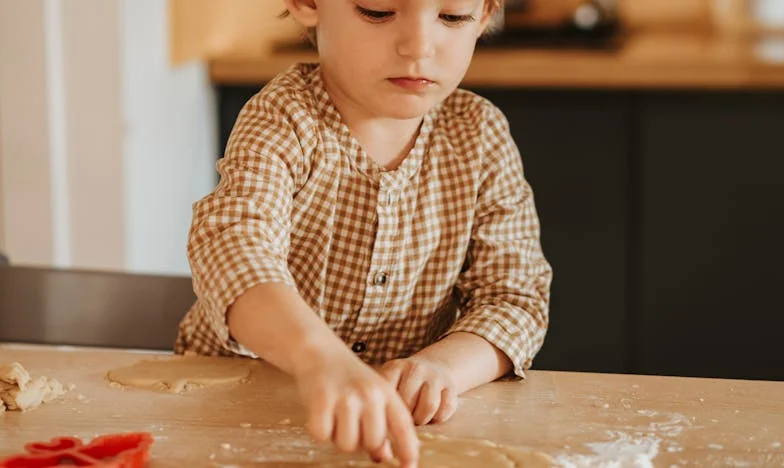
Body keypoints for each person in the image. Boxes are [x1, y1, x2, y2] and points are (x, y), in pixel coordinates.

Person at [176, 0, 552, 466]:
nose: (418, 46)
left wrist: (442, 369)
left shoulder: (480, 135)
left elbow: (514, 299)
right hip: (239, 410)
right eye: (377, 11)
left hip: (400, 426)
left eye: (452, 16)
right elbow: (235, 246)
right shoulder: (284, 117)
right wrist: (321, 360)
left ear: (487, 13)